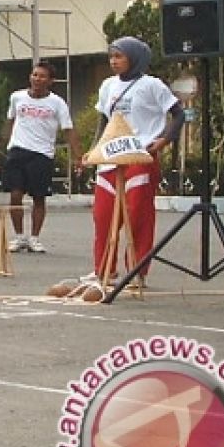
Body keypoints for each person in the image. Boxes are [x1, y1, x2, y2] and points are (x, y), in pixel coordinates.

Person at [81, 37, 183, 287]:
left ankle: (137, 271)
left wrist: (164, 140)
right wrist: (94, 149)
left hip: (140, 156)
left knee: (138, 214)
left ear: (134, 58)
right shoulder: (107, 86)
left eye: (119, 57)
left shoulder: (152, 85)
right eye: (111, 57)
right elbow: (104, 121)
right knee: (103, 215)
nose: (114, 62)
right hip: (111, 158)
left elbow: (178, 114)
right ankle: (104, 269)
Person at [1, 61, 82, 254]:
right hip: (18, 150)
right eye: (35, 75)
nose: (37, 79)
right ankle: (19, 237)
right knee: (15, 195)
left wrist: (78, 156)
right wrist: (3, 143)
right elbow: (10, 121)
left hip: (42, 154)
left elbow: (68, 130)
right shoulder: (17, 97)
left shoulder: (57, 103)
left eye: (42, 76)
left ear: (51, 81)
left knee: (39, 198)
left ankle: (34, 238)